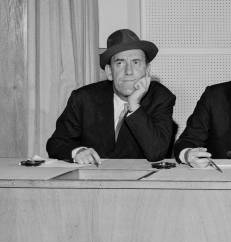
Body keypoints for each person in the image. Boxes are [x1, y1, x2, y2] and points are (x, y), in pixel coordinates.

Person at [47, 29, 176, 164]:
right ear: (109, 72)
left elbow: (158, 152)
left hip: (140, 182)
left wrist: (134, 106)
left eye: (136, 62)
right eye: (120, 63)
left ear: (147, 70)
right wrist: (78, 152)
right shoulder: (84, 98)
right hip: (92, 181)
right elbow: (56, 143)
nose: (129, 71)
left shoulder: (161, 98)